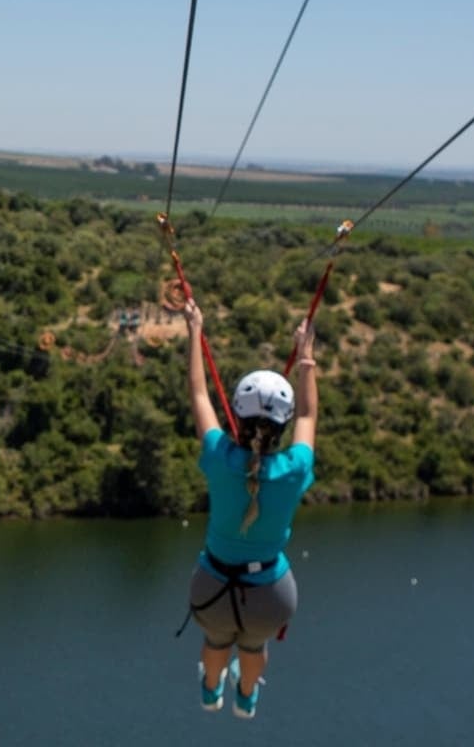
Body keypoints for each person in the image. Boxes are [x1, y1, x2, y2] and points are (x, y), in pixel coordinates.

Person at [181, 298, 317, 719]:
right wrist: (306, 357)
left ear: (236, 415)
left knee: (216, 642)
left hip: (213, 585)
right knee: (253, 647)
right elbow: (309, 416)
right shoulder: (295, 469)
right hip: (271, 595)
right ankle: (246, 695)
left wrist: (195, 331)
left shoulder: (219, 456)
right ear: (282, 423)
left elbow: (199, 392)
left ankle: (210, 689)